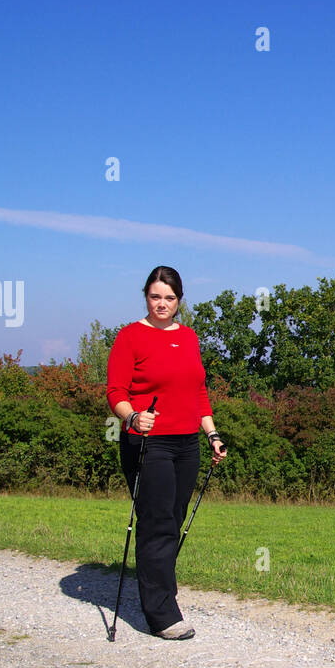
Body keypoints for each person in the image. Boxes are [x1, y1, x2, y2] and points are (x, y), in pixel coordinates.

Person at [106, 266, 227, 639]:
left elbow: (198, 393)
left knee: (173, 520)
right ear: (146, 296)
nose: (162, 304)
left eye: (169, 298)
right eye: (155, 296)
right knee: (156, 522)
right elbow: (115, 392)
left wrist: (212, 434)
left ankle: (162, 594)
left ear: (179, 301)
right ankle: (162, 615)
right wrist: (132, 418)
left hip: (187, 442)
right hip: (148, 442)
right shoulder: (130, 337)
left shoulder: (189, 338)